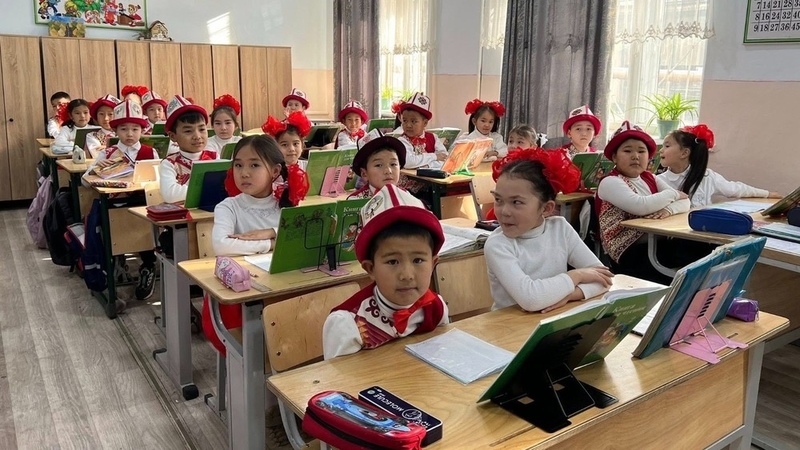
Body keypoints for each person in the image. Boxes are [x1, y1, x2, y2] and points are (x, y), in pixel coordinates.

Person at [204, 134, 310, 354]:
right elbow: (221, 246)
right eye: (238, 165)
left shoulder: (287, 204)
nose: (244, 173)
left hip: (282, 286)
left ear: (275, 171)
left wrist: (272, 232)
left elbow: (303, 239)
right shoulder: (228, 206)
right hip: (242, 293)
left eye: (254, 165)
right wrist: (271, 243)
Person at [322, 183, 449, 359]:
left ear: (433, 263)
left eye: (418, 260)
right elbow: (340, 376)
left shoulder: (436, 307)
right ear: (370, 268)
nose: (407, 275)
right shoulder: (347, 324)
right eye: (392, 262)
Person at [484, 149, 612, 313]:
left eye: (516, 202)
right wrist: (576, 276)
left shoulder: (560, 228)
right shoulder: (497, 244)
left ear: (546, 208)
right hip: (509, 325)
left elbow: (604, 279)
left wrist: (570, 295)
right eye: (498, 200)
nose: (504, 211)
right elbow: (531, 300)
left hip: (553, 318)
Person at [83, 100, 160, 300]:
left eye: (135, 129)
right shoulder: (107, 152)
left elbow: (158, 181)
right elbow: (85, 181)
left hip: (143, 205)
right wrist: (98, 169)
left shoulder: (150, 152)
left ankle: (148, 265)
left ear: (142, 130)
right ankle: (116, 262)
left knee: (145, 233)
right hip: (114, 205)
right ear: (115, 130)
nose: (130, 134)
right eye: (124, 129)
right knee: (115, 233)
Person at [596, 121, 691, 284]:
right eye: (627, 151)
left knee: (703, 250)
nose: (636, 156)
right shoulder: (610, 182)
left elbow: (686, 202)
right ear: (614, 157)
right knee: (690, 253)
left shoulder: (649, 177)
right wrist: (674, 194)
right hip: (629, 252)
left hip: (655, 243)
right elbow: (641, 206)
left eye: (641, 151)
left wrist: (668, 210)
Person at [658, 124, 780, 207]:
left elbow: (736, 189)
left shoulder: (707, 177)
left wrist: (767, 194)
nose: (661, 150)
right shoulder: (658, 180)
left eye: (667, 146)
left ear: (684, 153)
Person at [159, 95, 216, 203]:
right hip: (181, 213)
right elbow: (170, 195)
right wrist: (208, 190)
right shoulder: (169, 163)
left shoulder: (214, 157)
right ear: (173, 136)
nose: (197, 136)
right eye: (188, 131)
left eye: (202, 129)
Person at [394, 93, 448, 169]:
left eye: (413, 121)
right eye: (405, 120)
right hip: (409, 176)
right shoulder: (402, 140)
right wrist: (434, 156)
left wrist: (427, 166)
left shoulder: (433, 138)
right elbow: (409, 162)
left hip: (431, 176)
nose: (408, 125)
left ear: (425, 123)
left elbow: (444, 158)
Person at [347, 131, 405, 199]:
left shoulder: (406, 197)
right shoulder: (355, 200)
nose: (388, 171)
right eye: (379, 165)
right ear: (364, 174)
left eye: (393, 164)